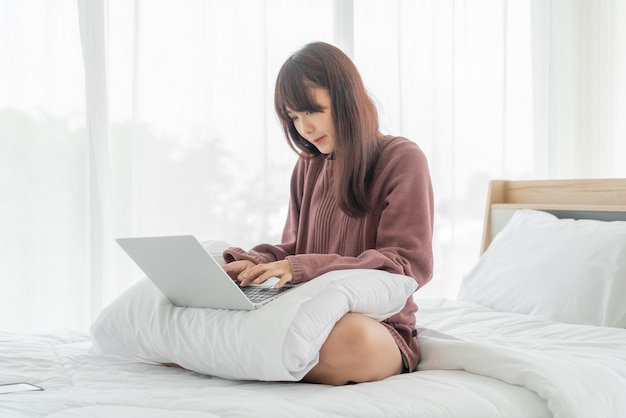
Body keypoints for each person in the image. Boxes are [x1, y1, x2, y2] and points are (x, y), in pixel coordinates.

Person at [222, 41, 434, 386]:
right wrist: (253, 262)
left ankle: (230, 358)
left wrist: (300, 268)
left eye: (312, 111)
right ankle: (243, 356)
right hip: (304, 313)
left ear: (346, 99)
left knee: (351, 340)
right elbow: (293, 248)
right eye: (293, 117)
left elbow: (405, 265)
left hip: (378, 327)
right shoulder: (308, 166)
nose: (303, 128)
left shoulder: (402, 159)